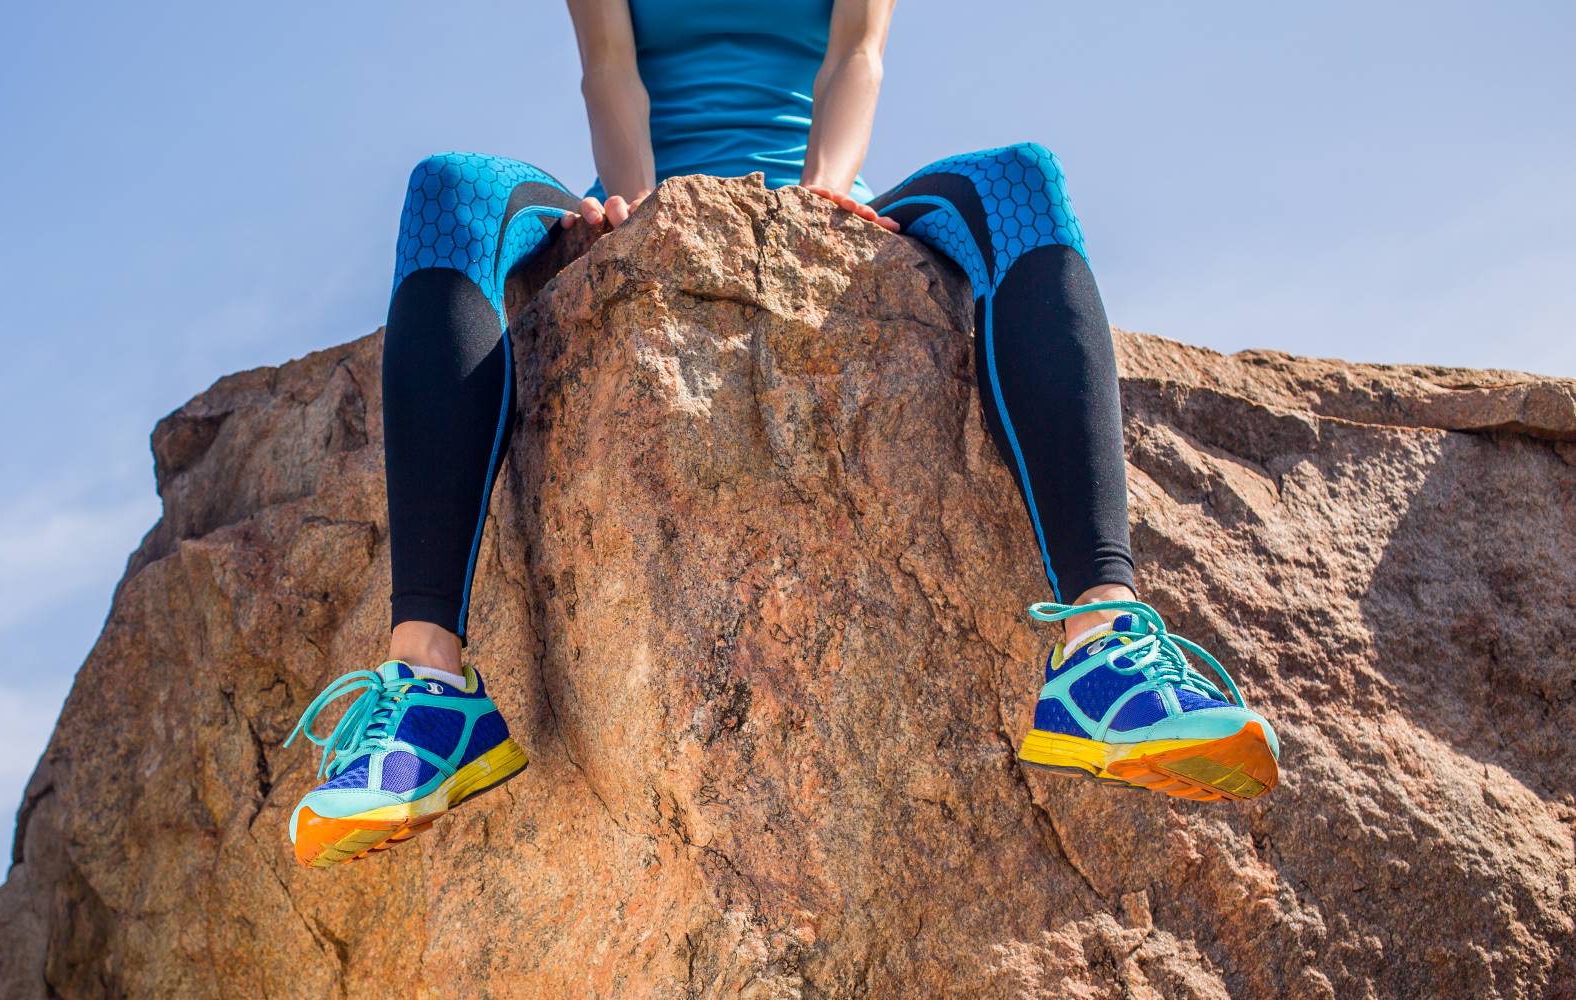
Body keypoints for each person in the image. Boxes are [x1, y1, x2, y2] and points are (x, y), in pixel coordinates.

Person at [281, 0, 1280, 869]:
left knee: (1025, 179)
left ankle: (1102, 648)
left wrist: (825, 191)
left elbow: (858, 54)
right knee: (448, 188)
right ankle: (428, 692)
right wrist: (637, 208)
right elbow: (609, 70)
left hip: (823, 187)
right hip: (632, 192)